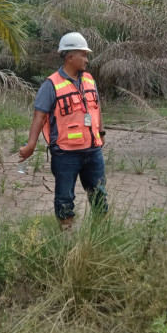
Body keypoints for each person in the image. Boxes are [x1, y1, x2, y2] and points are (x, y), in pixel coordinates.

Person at [19, 32, 108, 230]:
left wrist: (101, 133)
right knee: (65, 197)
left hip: (93, 151)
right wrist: (31, 145)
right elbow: (39, 117)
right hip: (66, 154)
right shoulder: (51, 85)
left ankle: (100, 233)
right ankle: (66, 234)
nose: (86, 59)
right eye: (83, 55)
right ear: (69, 57)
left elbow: (96, 107)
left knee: (99, 193)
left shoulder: (89, 79)